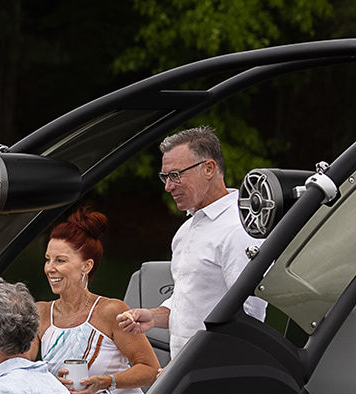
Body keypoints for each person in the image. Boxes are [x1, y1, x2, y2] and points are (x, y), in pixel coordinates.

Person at [114, 126, 267, 363]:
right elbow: (190, 302)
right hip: (187, 372)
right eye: (165, 177)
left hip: (220, 374)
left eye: (176, 175)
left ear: (208, 168)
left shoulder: (239, 228)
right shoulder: (185, 231)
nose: (168, 186)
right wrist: (153, 317)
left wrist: (201, 372)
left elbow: (251, 317)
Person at [34, 207, 159, 394]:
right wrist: (51, 382)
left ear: (86, 266)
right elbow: (21, 368)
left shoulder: (111, 311)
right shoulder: (40, 313)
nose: (50, 268)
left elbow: (150, 370)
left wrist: (106, 381)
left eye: (60, 260)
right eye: (48, 259)